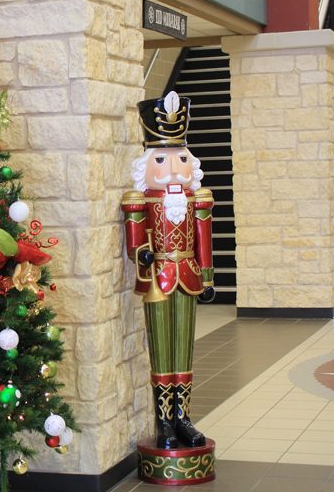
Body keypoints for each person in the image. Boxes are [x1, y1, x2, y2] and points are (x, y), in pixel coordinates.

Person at [122, 90, 214, 449]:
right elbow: (134, 240)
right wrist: (142, 254)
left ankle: (184, 417)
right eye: (162, 159)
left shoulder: (198, 199)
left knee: (184, 345)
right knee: (161, 346)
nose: (174, 169)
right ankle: (164, 422)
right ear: (146, 164)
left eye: (181, 158)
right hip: (157, 277)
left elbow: (204, 239)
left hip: (188, 274)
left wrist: (207, 277)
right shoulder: (139, 200)